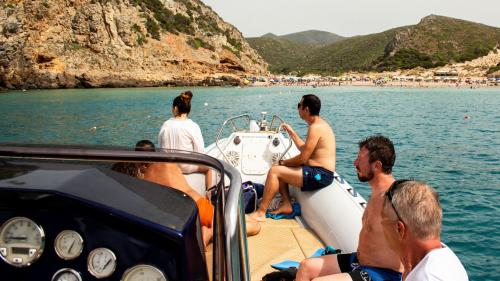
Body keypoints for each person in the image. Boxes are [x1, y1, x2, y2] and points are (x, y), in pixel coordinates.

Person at [112, 140, 260, 247]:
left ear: (142, 164)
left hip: (190, 210)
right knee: (252, 224)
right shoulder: (166, 162)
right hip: (198, 205)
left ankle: (211, 233)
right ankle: (215, 229)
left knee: (254, 226)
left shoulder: (146, 179)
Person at [295, 135, 403, 281]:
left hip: (382, 274)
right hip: (359, 260)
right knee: (305, 267)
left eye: (360, 159)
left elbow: (412, 244)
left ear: (377, 165)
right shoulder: (376, 192)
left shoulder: (394, 199)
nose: (355, 163)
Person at [248, 94, 336, 222]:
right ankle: (286, 205)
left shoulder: (315, 128)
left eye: (299, 105)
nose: (298, 108)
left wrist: (283, 162)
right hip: (318, 171)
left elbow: (303, 158)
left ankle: (261, 212)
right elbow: (305, 149)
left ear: (306, 109)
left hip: (320, 175)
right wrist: (292, 133)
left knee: (275, 171)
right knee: (282, 168)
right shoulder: (318, 125)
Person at [381, 180, 468, 281]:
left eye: (383, 220)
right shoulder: (444, 257)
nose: (381, 227)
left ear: (399, 229)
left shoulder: (426, 277)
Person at [158, 90, 212, 189]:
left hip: (169, 166)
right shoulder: (192, 126)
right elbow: (200, 152)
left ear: (175, 108)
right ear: (188, 109)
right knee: (209, 169)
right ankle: (209, 193)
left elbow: (160, 148)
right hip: (186, 167)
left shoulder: (165, 125)